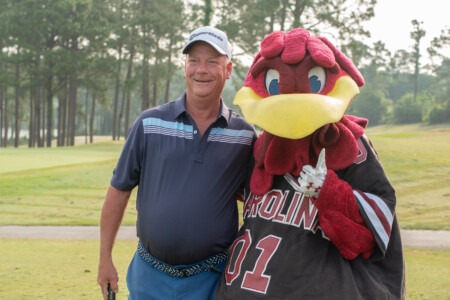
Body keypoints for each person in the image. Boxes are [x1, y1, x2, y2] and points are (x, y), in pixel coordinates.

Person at [215, 28, 405, 299]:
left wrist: (330, 191)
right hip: (244, 287)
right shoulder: (259, 146)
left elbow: (380, 219)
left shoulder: (349, 144)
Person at [97, 26, 256, 300]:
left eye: (212, 61)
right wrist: (105, 258)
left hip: (213, 280)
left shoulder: (244, 136)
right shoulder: (149, 123)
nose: (201, 70)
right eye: (193, 60)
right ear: (184, 66)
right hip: (149, 277)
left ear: (228, 70)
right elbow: (119, 190)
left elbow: (255, 202)